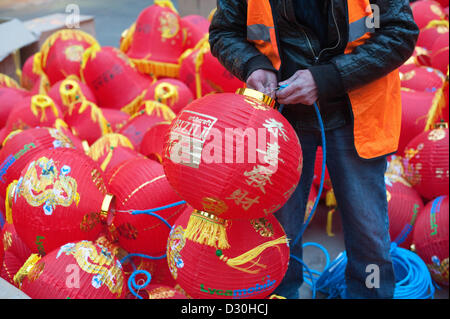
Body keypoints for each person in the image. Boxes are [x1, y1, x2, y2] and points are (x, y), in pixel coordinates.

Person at [209, 0, 419, 299]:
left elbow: (399, 32)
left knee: (368, 229)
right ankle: (279, 294)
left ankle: (370, 293)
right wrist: (254, 66)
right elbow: (224, 32)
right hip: (281, 116)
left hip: (356, 113)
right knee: (277, 230)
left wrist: (326, 79)